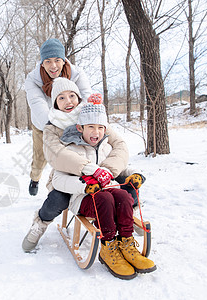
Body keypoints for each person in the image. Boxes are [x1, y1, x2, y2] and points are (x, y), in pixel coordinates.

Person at [22, 79, 131, 253]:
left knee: (128, 184)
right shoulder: (52, 126)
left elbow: (119, 145)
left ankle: (128, 219)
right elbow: (56, 154)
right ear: (55, 103)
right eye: (61, 98)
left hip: (100, 171)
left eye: (72, 96)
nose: (68, 101)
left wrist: (107, 170)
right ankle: (40, 224)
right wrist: (91, 169)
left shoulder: (92, 116)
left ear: (79, 98)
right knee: (58, 199)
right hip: (69, 174)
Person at [51, 101, 156, 279]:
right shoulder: (69, 151)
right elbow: (57, 179)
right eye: (91, 126)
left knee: (123, 195)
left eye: (100, 127)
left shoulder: (106, 147)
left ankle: (126, 242)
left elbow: (119, 168)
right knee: (105, 200)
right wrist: (84, 186)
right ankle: (108, 247)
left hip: (109, 190)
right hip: (83, 197)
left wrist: (134, 175)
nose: (96, 132)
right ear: (80, 127)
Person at [25, 38, 91, 196]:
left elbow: (86, 97)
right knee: (41, 157)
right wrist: (53, 124)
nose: (53, 66)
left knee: (75, 153)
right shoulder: (33, 80)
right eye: (48, 61)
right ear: (42, 63)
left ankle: (78, 184)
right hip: (45, 124)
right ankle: (35, 178)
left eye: (57, 60)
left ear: (63, 60)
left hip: (74, 121)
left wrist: (83, 121)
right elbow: (37, 103)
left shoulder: (76, 74)